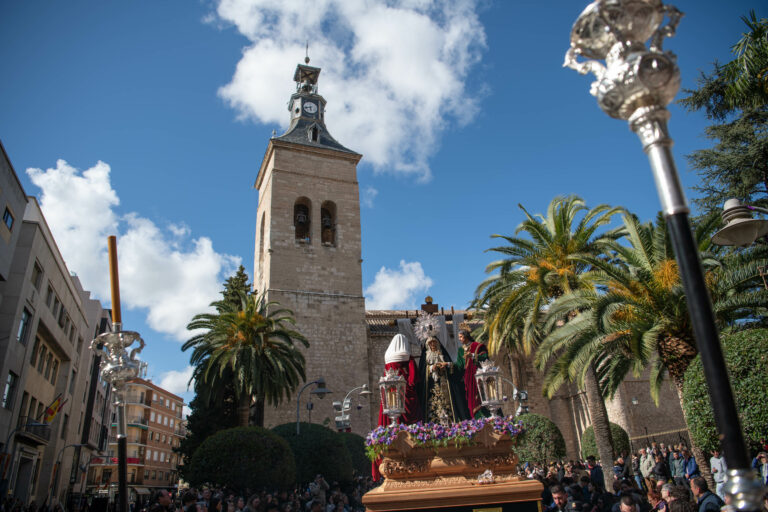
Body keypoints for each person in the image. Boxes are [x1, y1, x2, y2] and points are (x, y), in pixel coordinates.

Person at [417, 336, 470, 424]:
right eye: (431, 343)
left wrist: (446, 365)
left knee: (447, 403)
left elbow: (453, 367)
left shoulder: (443, 354)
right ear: (428, 345)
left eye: (434, 342)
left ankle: (449, 421)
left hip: (444, 383)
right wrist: (430, 368)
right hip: (430, 385)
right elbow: (422, 371)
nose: (433, 344)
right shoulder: (425, 355)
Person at [454, 328, 488, 418]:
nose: (459, 339)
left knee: (480, 397)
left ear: (466, 336)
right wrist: (448, 364)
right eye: (459, 337)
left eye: (461, 337)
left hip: (477, 376)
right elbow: (459, 365)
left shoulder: (477, 346)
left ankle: (484, 418)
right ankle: (475, 421)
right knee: (471, 399)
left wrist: (472, 355)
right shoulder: (461, 350)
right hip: (468, 379)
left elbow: (485, 357)